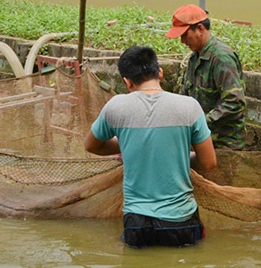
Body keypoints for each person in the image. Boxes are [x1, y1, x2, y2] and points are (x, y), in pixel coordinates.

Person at [84, 45, 217, 248]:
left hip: (136, 222)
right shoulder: (190, 107)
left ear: (127, 82)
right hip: (180, 219)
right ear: (160, 73)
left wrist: (128, 146)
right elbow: (208, 163)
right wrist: (178, 156)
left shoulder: (116, 106)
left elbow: (91, 145)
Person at [166, 4, 247, 149]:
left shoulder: (221, 58)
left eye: (185, 35)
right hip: (201, 139)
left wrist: (200, 123)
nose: (182, 41)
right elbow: (185, 97)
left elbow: (235, 102)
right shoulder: (194, 57)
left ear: (200, 29)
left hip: (224, 143)